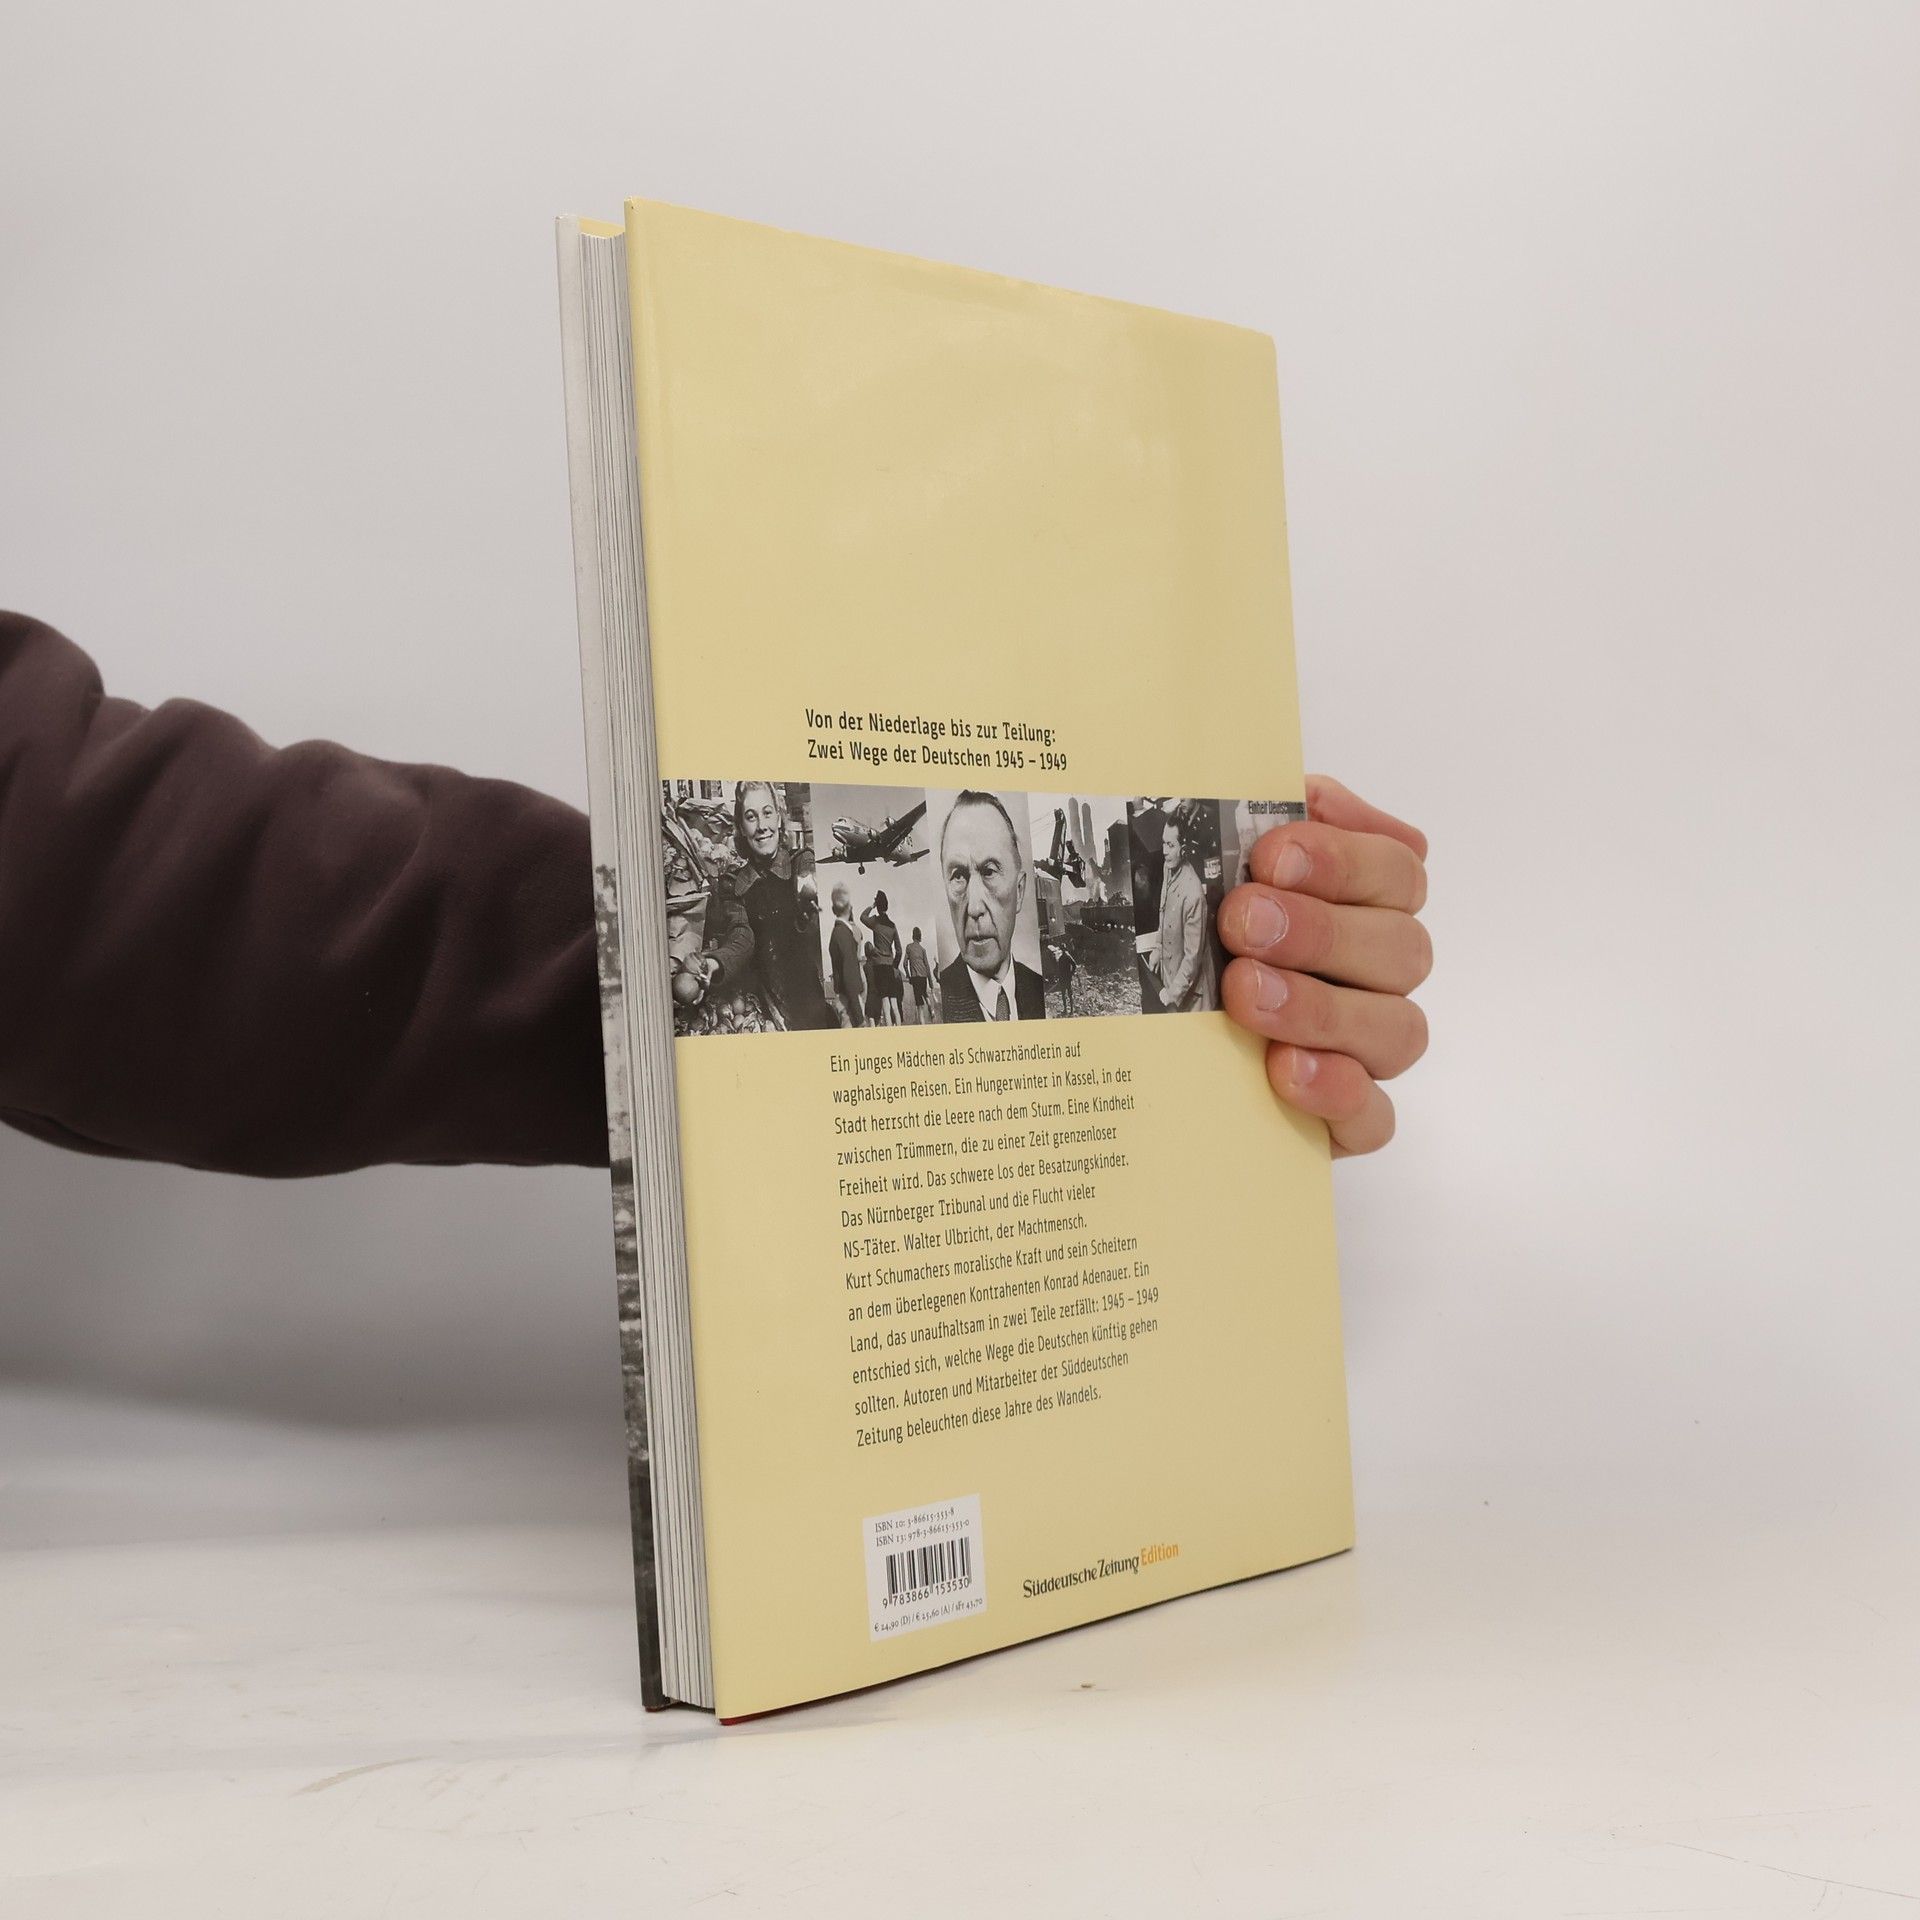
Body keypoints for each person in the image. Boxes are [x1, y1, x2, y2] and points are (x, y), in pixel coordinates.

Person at [0, 612, 1430, 1169]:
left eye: (1001, 872)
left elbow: (72, 867)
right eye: (960, 875)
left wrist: (1209, 1016)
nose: (983, 900)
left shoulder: (1059, 963)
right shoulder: (892, 949)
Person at [683, 780, 836, 1032]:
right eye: (751, 817)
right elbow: (741, 937)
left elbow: (816, 922)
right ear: (741, 827)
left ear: (779, 818)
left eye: (767, 813)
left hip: (813, 1007)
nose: (762, 826)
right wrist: (714, 964)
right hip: (772, 1013)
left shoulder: (802, 863)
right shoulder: (733, 884)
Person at [934, 790, 1047, 1023]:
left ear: (1019, 890)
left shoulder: (1039, 990)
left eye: (989, 872)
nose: (974, 908)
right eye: (958, 876)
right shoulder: (938, 1006)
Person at [1153, 807, 1218, 1013]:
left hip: (1194, 996)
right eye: (1163, 843)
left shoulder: (1194, 893)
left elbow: (1192, 958)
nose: (1165, 851)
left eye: (1171, 845)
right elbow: (1163, 912)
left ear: (1184, 849)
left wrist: (1172, 994)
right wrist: (1158, 947)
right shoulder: (1168, 867)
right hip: (1170, 978)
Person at [859, 890, 905, 1027]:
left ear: (878, 906)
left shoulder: (875, 922)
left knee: (885, 1003)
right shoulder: (892, 925)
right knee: (894, 1004)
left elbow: (862, 917)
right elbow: (899, 950)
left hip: (879, 966)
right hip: (890, 967)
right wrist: (895, 966)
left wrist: (871, 906)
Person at [826, 883, 867, 1029]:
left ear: (833, 909)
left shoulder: (837, 933)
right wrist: (860, 1018)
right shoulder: (844, 935)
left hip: (846, 1000)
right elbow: (849, 978)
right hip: (850, 1003)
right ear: (849, 907)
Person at [902, 926, 934, 1024]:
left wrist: (908, 975)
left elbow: (904, 963)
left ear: (913, 936)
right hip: (923, 976)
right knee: (924, 993)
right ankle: (931, 1010)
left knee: (919, 1004)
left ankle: (922, 1025)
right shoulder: (923, 950)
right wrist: (931, 983)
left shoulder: (909, 947)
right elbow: (927, 966)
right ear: (920, 937)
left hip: (915, 977)